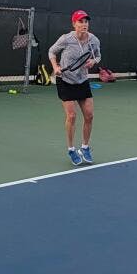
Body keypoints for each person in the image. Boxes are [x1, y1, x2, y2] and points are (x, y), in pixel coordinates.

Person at [49, 10, 101, 166]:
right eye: (80, 22)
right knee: (71, 116)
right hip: (65, 80)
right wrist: (55, 66)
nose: (84, 24)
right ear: (74, 24)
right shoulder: (66, 39)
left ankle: (85, 147)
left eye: (86, 22)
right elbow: (51, 51)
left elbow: (98, 55)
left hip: (82, 81)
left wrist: (94, 62)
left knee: (89, 115)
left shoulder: (93, 40)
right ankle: (71, 149)